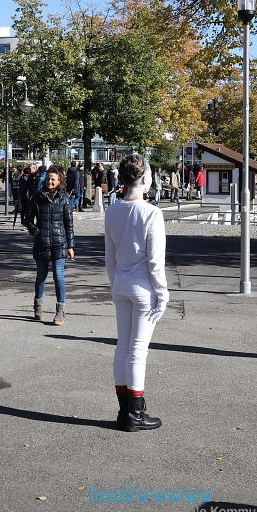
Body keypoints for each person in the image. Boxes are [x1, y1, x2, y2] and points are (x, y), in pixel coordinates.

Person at [105, 154, 167, 432]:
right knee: (138, 351)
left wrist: (114, 282)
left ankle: (123, 410)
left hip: (121, 284)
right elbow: (155, 261)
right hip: (143, 287)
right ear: (144, 179)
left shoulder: (112, 210)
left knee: (123, 347)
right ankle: (136, 413)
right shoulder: (152, 213)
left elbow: (109, 257)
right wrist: (162, 294)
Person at [25, 165, 74, 325]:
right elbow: (27, 219)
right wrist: (35, 231)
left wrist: (71, 246)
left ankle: (60, 311)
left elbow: (69, 224)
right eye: (48, 179)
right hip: (42, 243)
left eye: (53, 179)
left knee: (58, 277)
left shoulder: (64, 198)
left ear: (59, 181)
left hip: (60, 244)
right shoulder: (37, 197)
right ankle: (37, 306)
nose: (50, 182)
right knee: (41, 277)